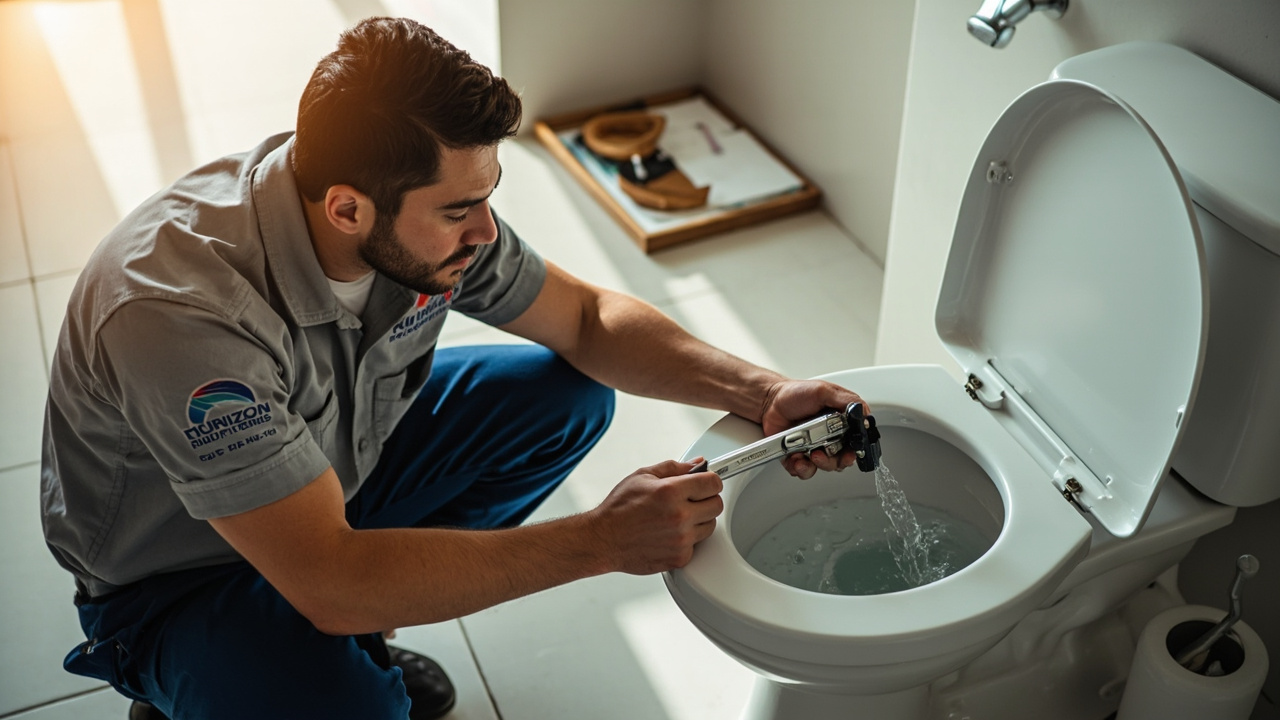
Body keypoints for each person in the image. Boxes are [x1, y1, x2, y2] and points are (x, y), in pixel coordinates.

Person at [40, 16, 866, 720]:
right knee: (358, 702)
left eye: (487, 195)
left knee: (565, 399)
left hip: (335, 485)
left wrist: (764, 392)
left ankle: (359, 630)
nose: (485, 233)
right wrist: (602, 541)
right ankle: (197, 679)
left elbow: (585, 319)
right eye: (460, 209)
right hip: (179, 580)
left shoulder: (412, 215)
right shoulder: (176, 314)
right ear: (347, 207)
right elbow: (327, 577)